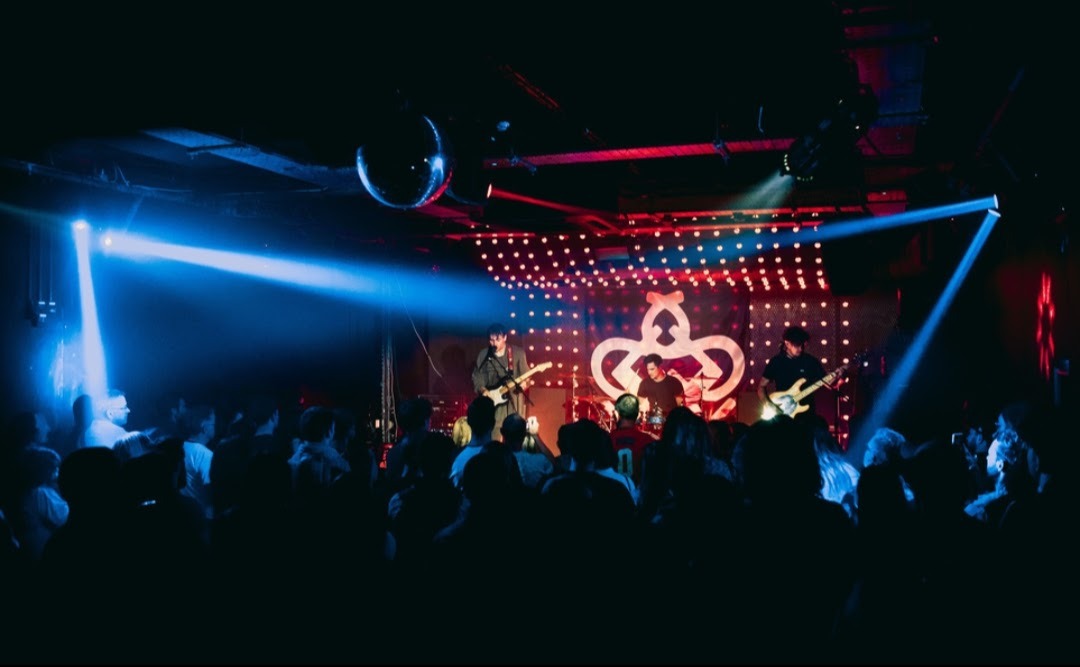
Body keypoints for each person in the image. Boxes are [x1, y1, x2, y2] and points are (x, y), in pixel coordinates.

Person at [757, 326, 830, 422]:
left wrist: (836, 380)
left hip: (807, 415)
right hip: (783, 414)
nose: (800, 348)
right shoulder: (776, 362)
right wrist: (768, 404)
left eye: (803, 345)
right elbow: (761, 387)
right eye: (797, 345)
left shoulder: (811, 361)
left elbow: (827, 383)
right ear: (787, 343)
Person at [471, 322, 531, 440]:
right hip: (493, 405)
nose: (494, 343)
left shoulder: (518, 353)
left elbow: (526, 376)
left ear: (505, 337)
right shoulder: (484, 355)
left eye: (497, 340)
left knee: (514, 436)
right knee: (495, 436)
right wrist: (483, 390)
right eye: (491, 340)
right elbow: (477, 376)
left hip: (514, 403)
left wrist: (525, 384)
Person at [636, 353, 684, 421]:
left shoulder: (674, 382)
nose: (649, 372)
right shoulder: (645, 383)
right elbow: (638, 403)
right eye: (648, 369)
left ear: (660, 366)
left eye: (652, 369)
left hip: (671, 420)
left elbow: (680, 406)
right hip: (653, 420)